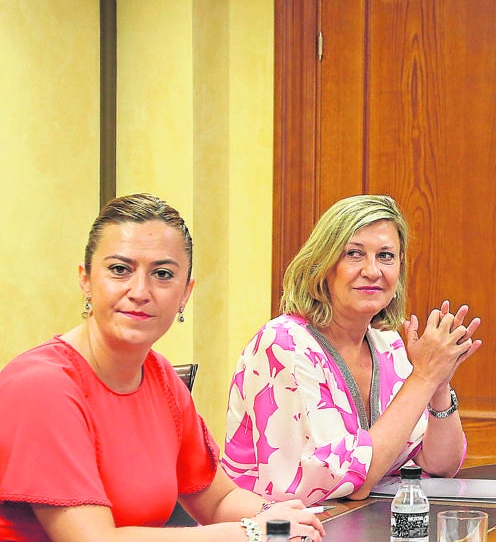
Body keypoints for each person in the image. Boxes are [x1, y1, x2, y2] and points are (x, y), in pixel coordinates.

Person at [0, 194, 323, 542]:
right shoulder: (41, 385)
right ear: (85, 279)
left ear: (186, 292)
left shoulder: (161, 377)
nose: (140, 291)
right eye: (119, 269)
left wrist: (275, 516)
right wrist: (251, 533)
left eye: (162, 274)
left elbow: (217, 500)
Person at [223, 194, 482, 504]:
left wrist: (439, 383)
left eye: (386, 256)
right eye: (354, 254)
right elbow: (347, 482)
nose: (373, 271)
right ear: (322, 264)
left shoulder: (387, 343)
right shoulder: (283, 345)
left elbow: (440, 464)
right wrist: (424, 377)